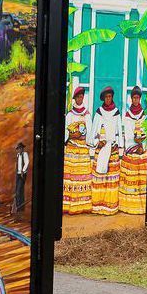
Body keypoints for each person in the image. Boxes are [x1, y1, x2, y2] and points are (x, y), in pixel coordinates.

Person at [89, 87, 124, 215]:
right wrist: (97, 142)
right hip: (101, 147)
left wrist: (117, 144)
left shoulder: (116, 112)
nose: (108, 99)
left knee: (111, 177)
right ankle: (98, 205)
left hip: (112, 148)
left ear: (112, 97)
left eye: (110, 96)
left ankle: (110, 206)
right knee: (100, 177)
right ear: (103, 98)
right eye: (106, 97)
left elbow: (119, 130)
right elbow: (94, 130)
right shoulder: (99, 112)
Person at [63, 87, 93, 215]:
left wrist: (84, 138)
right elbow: (66, 130)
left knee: (81, 176)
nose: (80, 99)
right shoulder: (70, 114)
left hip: (82, 149)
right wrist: (71, 135)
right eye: (78, 97)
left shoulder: (86, 114)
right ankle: (70, 204)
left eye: (81, 97)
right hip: (72, 149)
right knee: (71, 176)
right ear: (75, 98)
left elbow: (89, 131)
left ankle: (82, 204)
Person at [123, 86, 146, 151]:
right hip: (131, 144)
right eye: (134, 98)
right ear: (131, 99)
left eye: (137, 98)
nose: (136, 100)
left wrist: (141, 136)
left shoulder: (142, 113)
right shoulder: (128, 114)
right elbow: (128, 132)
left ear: (140, 98)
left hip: (141, 142)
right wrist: (135, 138)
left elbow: (144, 128)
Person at [14, 142, 29, 215]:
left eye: (20, 148)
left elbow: (27, 162)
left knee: (19, 190)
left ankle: (19, 207)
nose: (19, 150)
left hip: (23, 174)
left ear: (22, 149)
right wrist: (17, 171)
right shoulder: (18, 155)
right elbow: (17, 164)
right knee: (18, 190)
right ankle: (19, 207)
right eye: (18, 149)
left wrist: (23, 170)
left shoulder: (25, 154)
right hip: (18, 174)